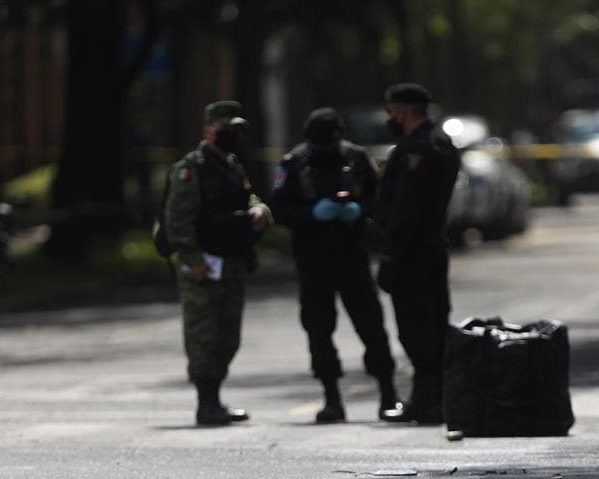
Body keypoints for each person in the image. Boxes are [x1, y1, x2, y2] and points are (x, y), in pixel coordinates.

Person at [270, 107, 401, 424]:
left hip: (352, 255)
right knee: (318, 329)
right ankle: (331, 398)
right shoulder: (294, 163)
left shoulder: (356, 158)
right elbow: (279, 208)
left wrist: (359, 209)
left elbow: (380, 198)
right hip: (312, 259)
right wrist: (312, 214)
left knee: (371, 325)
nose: (324, 150)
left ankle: (388, 394)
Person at [165, 100, 272, 426]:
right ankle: (206, 402)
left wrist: (260, 210)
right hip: (203, 266)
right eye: (225, 129)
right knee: (203, 336)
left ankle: (216, 397)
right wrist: (192, 259)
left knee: (229, 337)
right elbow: (177, 221)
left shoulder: (233, 165)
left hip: (232, 262)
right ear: (208, 130)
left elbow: (249, 196)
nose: (231, 135)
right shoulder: (190, 170)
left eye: (235, 129)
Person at [375, 83, 461, 425]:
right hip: (431, 248)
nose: (390, 119)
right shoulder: (440, 142)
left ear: (402, 112)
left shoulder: (418, 150)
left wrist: (390, 255)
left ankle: (429, 400)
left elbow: (406, 211)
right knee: (431, 323)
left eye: (391, 112)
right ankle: (428, 397)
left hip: (412, 253)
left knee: (417, 327)